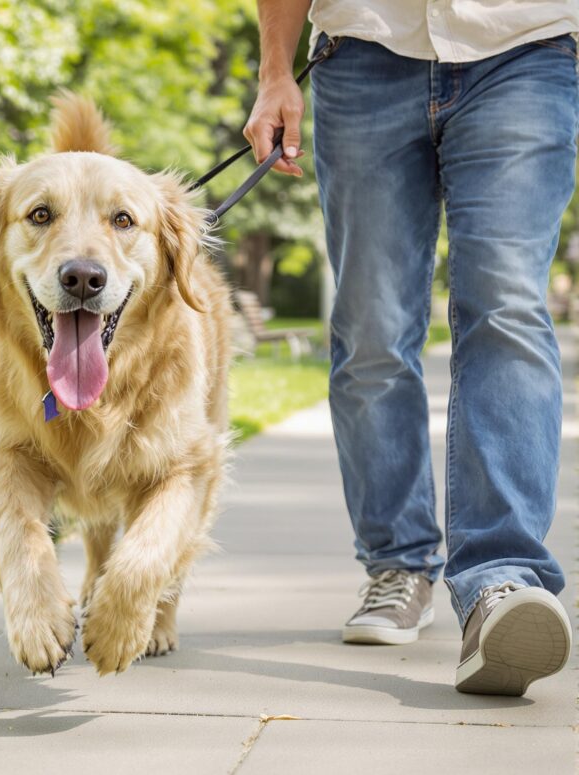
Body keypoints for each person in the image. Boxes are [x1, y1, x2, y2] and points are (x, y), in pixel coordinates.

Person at [246, 1, 577, 695]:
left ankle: (501, 578)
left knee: (508, 307)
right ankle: (398, 562)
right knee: (370, 328)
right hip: (365, 51)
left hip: (525, 47)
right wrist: (274, 71)